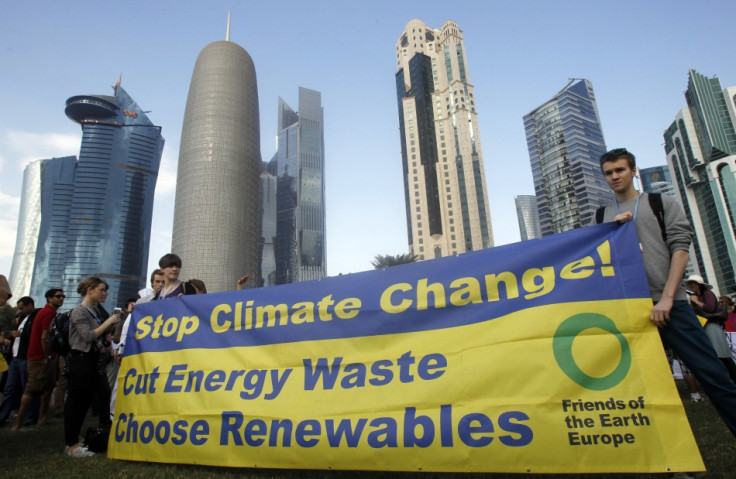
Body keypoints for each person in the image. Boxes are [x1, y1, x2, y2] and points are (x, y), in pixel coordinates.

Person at [597, 147, 736, 438]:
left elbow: (680, 249)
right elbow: (598, 260)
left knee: (714, 375)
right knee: (647, 388)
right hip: (630, 309)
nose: (614, 176)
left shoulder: (661, 202)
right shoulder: (602, 215)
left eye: (620, 170)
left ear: (634, 170)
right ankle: (674, 462)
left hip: (671, 304)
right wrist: (611, 232)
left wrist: (668, 298)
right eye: (609, 172)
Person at [64, 277, 120, 457]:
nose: (105, 293)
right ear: (90, 290)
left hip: (94, 360)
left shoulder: (94, 311)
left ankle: (103, 433)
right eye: (102, 290)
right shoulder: (79, 312)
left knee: (102, 394)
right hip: (80, 360)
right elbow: (87, 336)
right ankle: (71, 444)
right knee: (77, 402)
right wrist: (108, 322)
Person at [12, 288, 65, 430]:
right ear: (49, 299)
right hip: (39, 358)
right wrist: (47, 356)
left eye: (63, 296)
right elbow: (44, 337)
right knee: (31, 389)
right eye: (58, 296)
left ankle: (42, 417)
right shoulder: (48, 313)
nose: (61, 299)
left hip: (44, 357)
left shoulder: (48, 312)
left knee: (48, 387)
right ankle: (17, 424)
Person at [686, 274, 736, 382]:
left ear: (699, 284)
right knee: (715, 354)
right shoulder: (696, 297)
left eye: (693, 283)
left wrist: (696, 302)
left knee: (721, 354)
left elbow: (710, 308)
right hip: (704, 326)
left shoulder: (707, 294)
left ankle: (732, 377)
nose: (691, 285)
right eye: (690, 283)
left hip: (712, 325)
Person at [0, 297, 38, 424]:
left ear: (30, 306)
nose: (20, 310)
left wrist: (22, 335)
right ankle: (4, 415)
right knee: (10, 388)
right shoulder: (21, 318)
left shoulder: (35, 317)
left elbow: (36, 335)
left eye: (22, 308)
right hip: (15, 357)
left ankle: (30, 416)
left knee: (27, 388)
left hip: (25, 358)